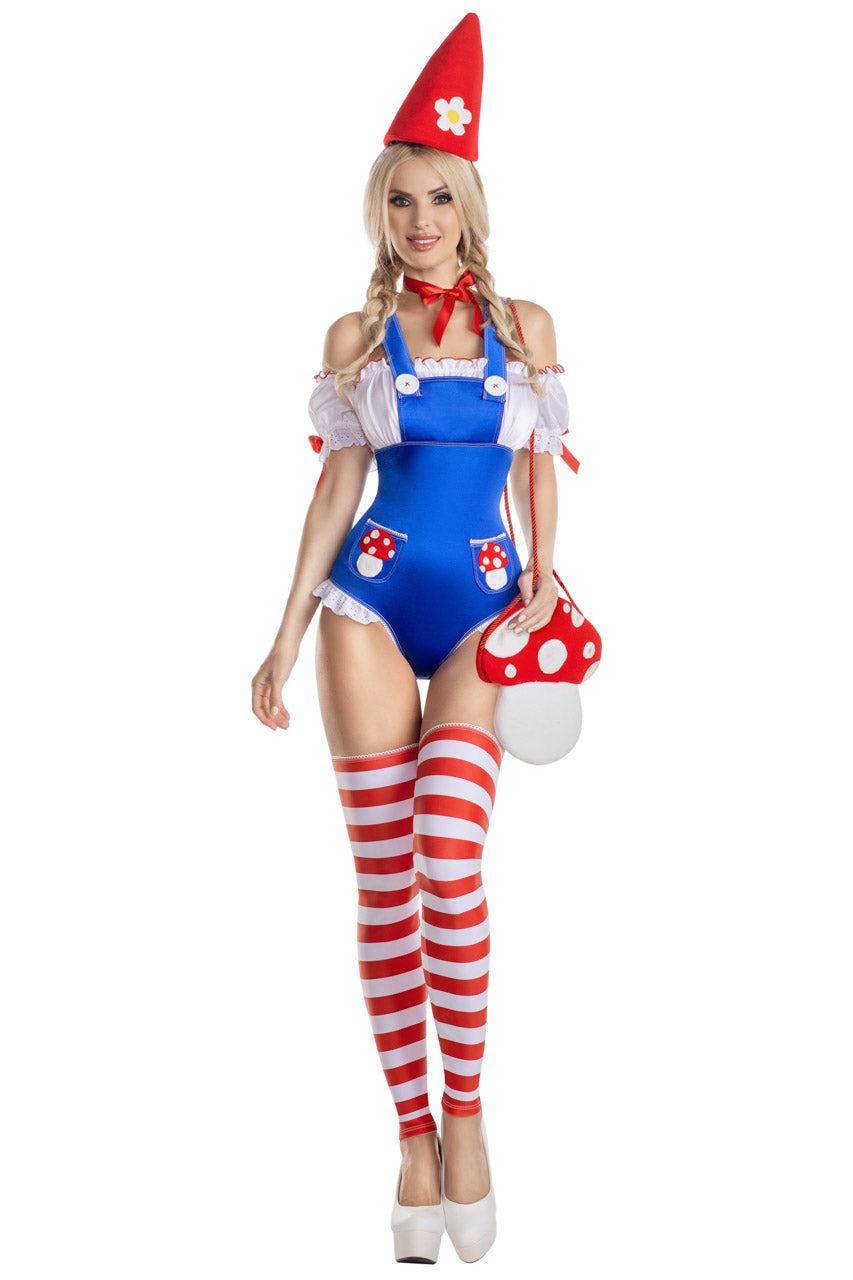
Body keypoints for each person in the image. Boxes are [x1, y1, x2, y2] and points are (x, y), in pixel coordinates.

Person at [251, 14, 572, 1264]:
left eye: (439, 196)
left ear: (469, 202)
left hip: (485, 610)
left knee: (449, 855)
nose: (421, 219)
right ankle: (412, 1134)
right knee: (386, 880)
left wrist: (544, 582)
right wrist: (284, 632)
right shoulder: (355, 340)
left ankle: (470, 1109)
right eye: (400, 199)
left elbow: (539, 470)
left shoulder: (526, 328)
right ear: (378, 211)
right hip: (368, 607)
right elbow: (336, 486)